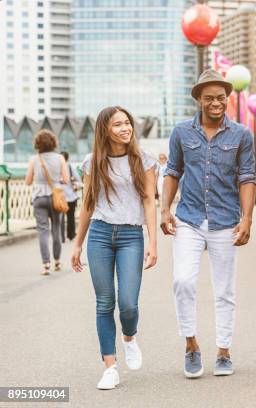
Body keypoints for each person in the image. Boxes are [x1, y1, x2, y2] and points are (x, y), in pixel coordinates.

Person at [160, 69, 256, 379]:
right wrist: (164, 210)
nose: (216, 103)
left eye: (221, 97)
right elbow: (172, 172)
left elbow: (246, 177)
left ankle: (224, 351)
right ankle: (191, 345)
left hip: (226, 220)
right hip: (188, 218)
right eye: (209, 98)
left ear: (228, 98)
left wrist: (247, 218)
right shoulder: (181, 133)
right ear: (199, 100)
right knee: (183, 281)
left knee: (224, 290)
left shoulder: (241, 134)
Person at [71, 106, 158, 390]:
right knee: (104, 302)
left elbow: (148, 202)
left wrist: (152, 243)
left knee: (128, 304)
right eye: (118, 124)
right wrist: (77, 244)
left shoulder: (143, 160)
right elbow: (87, 204)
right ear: (104, 129)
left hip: (131, 237)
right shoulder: (92, 161)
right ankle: (110, 366)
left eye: (128, 123)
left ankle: (129, 337)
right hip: (99, 234)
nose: (125, 128)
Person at [25, 130, 69, 275]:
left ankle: (46, 264)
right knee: (56, 228)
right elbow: (66, 180)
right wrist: (56, 180)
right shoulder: (60, 158)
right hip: (56, 196)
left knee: (43, 230)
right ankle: (57, 262)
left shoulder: (34, 159)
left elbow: (28, 181)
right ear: (53, 142)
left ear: (37, 143)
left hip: (39, 198)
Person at [60, 151, 82, 242]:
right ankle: (71, 235)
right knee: (71, 217)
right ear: (67, 158)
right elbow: (78, 179)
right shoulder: (70, 167)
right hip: (71, 196)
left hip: (60, 196)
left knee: (60, 217)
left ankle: (61, 236)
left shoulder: (56, 167)